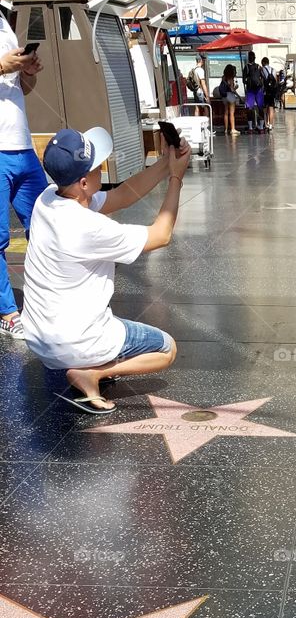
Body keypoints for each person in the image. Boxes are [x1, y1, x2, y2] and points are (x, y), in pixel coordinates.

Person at [22, 125, 190, 414]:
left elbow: (122, 195)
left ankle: (85, 363)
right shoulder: (89, 228)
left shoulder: (48, 198)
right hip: (75, 341)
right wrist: (176, 177)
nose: (104, 168)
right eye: (98, 166)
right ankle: (92, 374)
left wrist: (165, 163)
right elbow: (161, 235)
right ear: (84, 183)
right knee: (166, 348)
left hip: (38, 339)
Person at [0, 0, 48, 340]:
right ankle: (6, 311)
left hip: (21, 143)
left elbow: (20, 91)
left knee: (44, 226)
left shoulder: (4, 23)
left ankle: (46, 299)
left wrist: (26, 72)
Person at [243, 51, 265, 132]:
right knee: (260, 108)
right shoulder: (259, 67)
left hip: (250, 90)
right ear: (255, 58)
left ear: (248, 58)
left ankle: (250, 127)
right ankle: (262, 127)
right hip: (259, 90)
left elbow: (244, 80)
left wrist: (247, 81)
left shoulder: (246, 67)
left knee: (249, 108)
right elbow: (263, 77)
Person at [218, 64, 240, 135]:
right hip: (230, 96)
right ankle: (233, 129)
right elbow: (232, 89)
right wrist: (236, 88)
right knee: (231, 113)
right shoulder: (231, 78)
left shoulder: (223, 77)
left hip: (224, 96)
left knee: (226, 113)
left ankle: (226, 129)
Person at [261, 57, 277, 131]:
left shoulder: (262, 69)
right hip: (272, 92)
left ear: (263, 62)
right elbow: (275, 81)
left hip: (264, 92)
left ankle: (265, 123)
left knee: (264, 109)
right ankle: (270, 125)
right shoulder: (274, 70)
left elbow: (261, 81)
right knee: (271, 109)